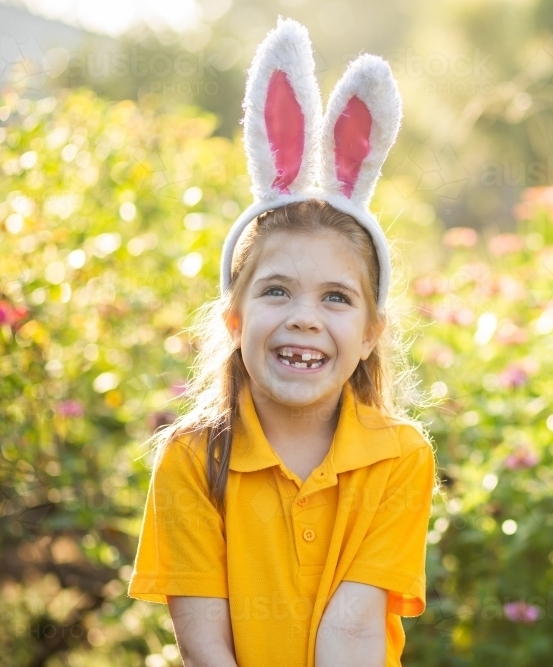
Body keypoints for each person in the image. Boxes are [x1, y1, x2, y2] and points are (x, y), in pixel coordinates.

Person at [126, 18, 439, 667]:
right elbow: (205, 649)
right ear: (234, 320)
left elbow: (353, 631)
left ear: (370, 335)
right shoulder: (191, 460)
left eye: (336, 297)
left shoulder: (399, 456)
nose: (304, 317)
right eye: (276, 291)